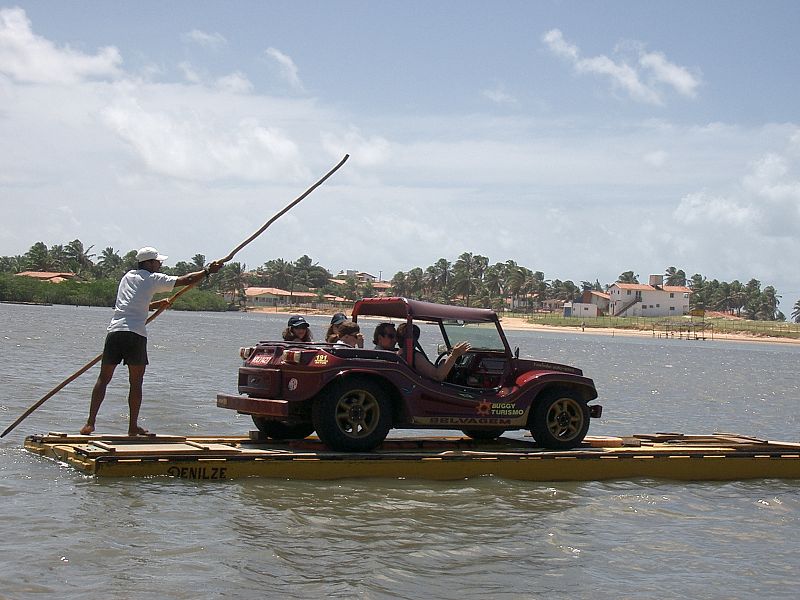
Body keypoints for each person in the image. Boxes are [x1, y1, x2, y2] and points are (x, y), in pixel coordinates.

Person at [80, 247, 222, 436]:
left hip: (115, 332)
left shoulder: (127, 277)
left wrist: (155, 304)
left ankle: (90, 424)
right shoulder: (152, 278)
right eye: (157, 262)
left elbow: (130, 304)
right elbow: (186, 280)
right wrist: (207, 271)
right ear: (148, 263)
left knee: (103, 379)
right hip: (135, 334)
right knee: (136, 382)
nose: (160, 264)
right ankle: (132, 427)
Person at [396, 322, 470, 382]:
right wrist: (454, 355)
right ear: (414, 339)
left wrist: (444, 362)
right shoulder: (414, 356)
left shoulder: (398, 354)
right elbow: (437, 376)